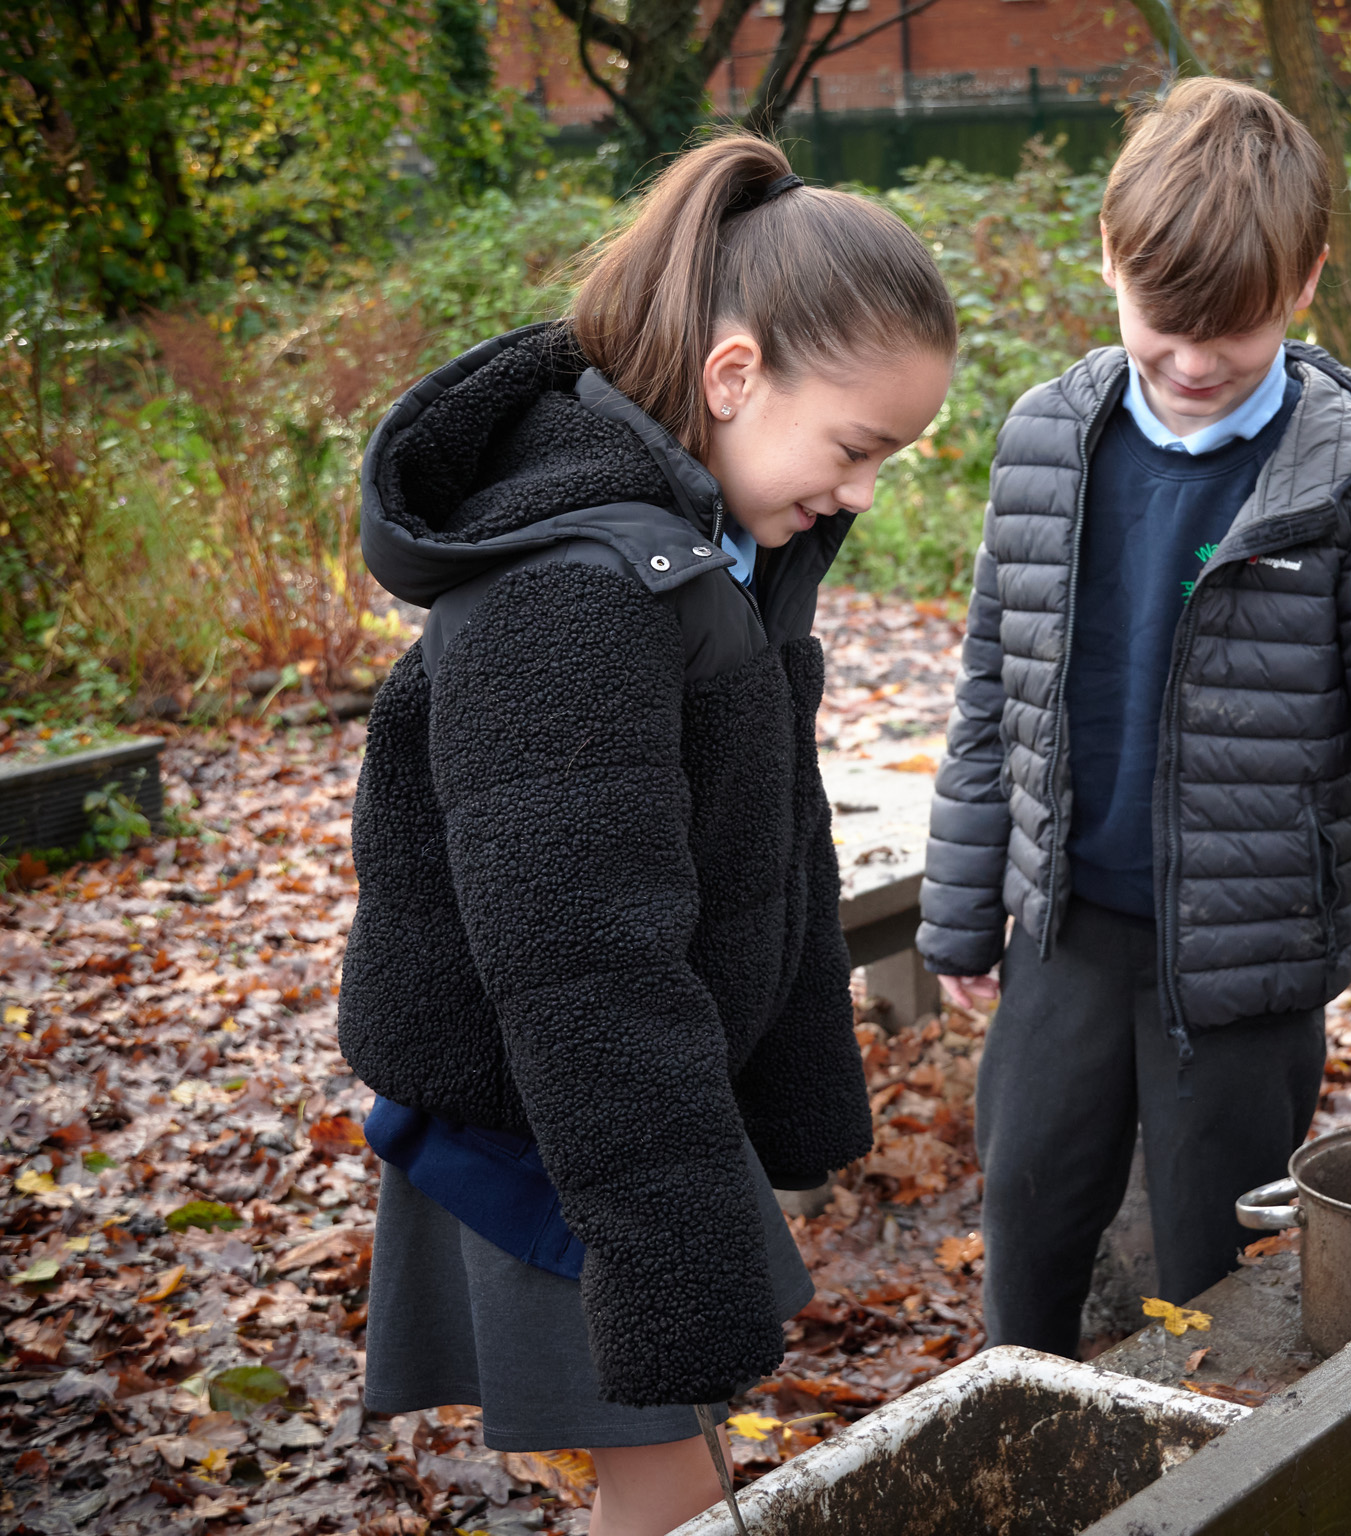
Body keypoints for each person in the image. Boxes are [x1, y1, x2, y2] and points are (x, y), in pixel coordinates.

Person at [338, 134, 955, 1535]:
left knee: (687, 1470)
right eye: (857, 447)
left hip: (638, 1112)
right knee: (666, 1496)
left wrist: (787, 1084)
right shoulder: (569, 596)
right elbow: (579, 958)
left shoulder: (715, 555)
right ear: (733, 377)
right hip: (552, 1126)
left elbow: (773, 845)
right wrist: (672, 1245)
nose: (862, 492)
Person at [917, 79, 1351, 1358]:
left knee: (1218, 1277)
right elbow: (993, 691)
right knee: (1027, 1228)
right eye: (1159, 323)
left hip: (1245, 976)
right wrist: (964, 908)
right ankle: (1024, 1421)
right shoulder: (1044, 441)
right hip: (1062, 937)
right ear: (1109, 259)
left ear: (1304, 284)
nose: (1188, 365)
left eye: (1229, 334)